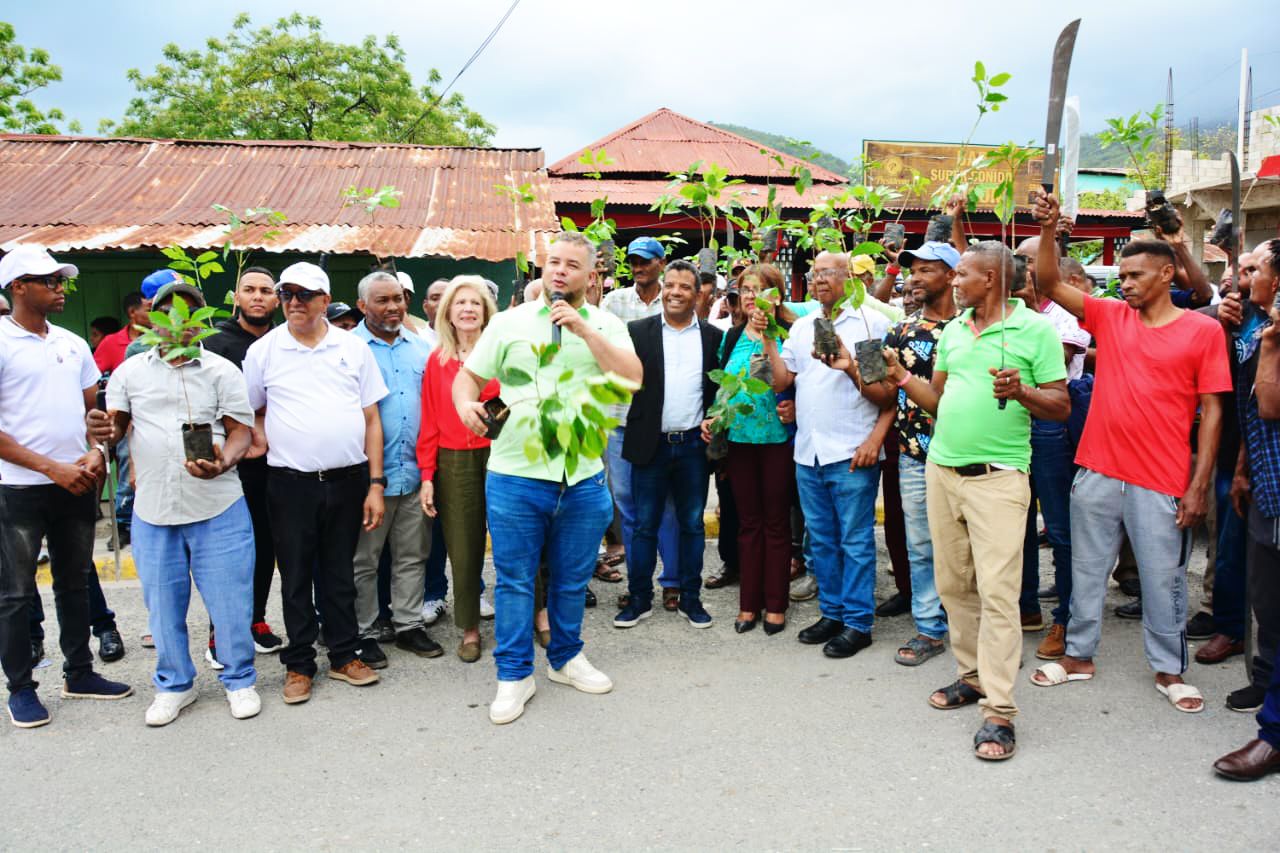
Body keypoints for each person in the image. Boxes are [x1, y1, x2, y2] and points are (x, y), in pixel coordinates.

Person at [1028, 191, 1230, 717]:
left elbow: (1213, 413)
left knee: (1164, 576)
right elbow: (1049, 283)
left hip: (1162, 476)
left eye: (1136, 274)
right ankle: (1078, 656)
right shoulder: (1111, 317)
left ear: (1167, 275)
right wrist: (1050, 230)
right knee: (1087, 566)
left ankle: (1169, 669)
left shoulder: (1202, 330)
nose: (1127, 283)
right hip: (1097, 467)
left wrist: (1199, 483)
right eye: (1123, 275)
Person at [887, 239, 1069, 760]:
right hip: (942, 471)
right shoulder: (952, 332)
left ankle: (1000, 711)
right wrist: (901, 377)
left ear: (990, 278)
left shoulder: (1034, 331)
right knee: (954, 585)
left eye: (962, 273)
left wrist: (1024, 392)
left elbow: (1059, 406)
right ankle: (971, 676)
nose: (954, 280)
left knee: (997, 593)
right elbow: (938, 400)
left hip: (999, 479)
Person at [455, 231, 642, 725]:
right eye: (552, 263)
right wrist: (464, 405)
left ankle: (564, 658)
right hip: (517, 474)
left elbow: (633, 377)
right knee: (516, 580)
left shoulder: (605, 325)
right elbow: (469, 376)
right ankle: (515, 675)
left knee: (572, 577)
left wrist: (584, 332)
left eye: (570, 265)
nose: (558, 272)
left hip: (582, 474)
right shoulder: (510, 323)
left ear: (590, 275)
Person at [105, 280, 260, 725]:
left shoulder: (220, 371)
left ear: (200, 321)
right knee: (162, 603)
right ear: (153, 319)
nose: (178, 322)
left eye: (188, 313)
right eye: (168, 312)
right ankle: (175, 685)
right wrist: (101, 430)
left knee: (231, 600)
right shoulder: (131, 372)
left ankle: (240, 679)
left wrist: (224, 463)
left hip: (218, 503)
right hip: (153, 506)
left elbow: (239, 432)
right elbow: (116, 428)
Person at [243, 261, 387, 705]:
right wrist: (263, 433)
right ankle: (299, 664)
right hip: (290, 484)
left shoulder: (352, 348)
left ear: (325, 300)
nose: (294, 303)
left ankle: (344, 655)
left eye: (305, 295)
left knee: (339, 573)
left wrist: (376, 484)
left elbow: (371, 419)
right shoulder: (264, 352)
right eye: (287, 294)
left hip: (347, 480)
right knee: (296, 576)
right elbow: (251, 410)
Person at [0, 246, 132, 728]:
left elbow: (94, 417)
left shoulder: (73, 344)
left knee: (74, 581)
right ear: (18, 286)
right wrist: (51, 468)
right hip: (16, 488)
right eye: (49, 281)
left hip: (76, 481)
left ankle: (80, 672)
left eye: (61, 281)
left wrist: (97, 454)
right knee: (14, 593)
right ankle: (21, 688)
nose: (60, 289)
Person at [763, 252, 895, 655]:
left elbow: (884, 393)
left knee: (854, 541)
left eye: (828, 273)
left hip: (851, 451)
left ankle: (857, 622)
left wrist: (849, 366)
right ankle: (833, 612)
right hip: (809, 451)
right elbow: (782, 378)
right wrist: (767, 335)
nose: (819, 279)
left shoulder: (870, 325)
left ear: (849, 278)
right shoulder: (802, 327)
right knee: (820, 541)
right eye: (814, 272)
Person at [615, 259, 722, 630]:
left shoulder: (712, 337)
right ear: (662, 289)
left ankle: (691, 598)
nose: (676, 292)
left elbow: (718, 391)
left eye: (685, 287)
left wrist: (715, 417)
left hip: (693, 445)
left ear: (698, 294)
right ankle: (639, 599)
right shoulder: (637, 332)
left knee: (692, 524)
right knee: (644, 525)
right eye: (671, 285)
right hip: (650, 444)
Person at [350, 271, 440, 667]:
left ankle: (407, 625)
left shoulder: (421, 349)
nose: (393, 307)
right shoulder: (348, 349)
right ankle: (365, 631)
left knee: (412, 554)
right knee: (364, 560)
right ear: (362, 306)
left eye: (398, 299)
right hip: (368, 476)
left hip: (414, 472)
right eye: (383, 300)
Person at [878, 240, 961, 666]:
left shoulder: (972, 327)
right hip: (913, 453)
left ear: (951, 275)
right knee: (921, 546)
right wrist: (850, 368)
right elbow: (882, 392)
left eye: (927, 270)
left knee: (967, 548)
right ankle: (929, 628)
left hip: (965, 455)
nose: (915, 277)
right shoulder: (901, 330)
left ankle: (973, 632)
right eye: (914, 270)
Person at [1010, 236, 1091, 660]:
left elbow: (1050, 363)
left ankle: (1066, 616)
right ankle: (1025, 608)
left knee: (1059, 528)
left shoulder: (1062, 314)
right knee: (1017, 525)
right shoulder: (1007, 314)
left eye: (1026, 261)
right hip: (1011, 428)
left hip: (1051, 427)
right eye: (1016, 261)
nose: (1021, 268)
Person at [417, 276, 501, 662]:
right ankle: (469, 627)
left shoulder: (503, 354)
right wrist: (428, 476)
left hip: (503, 453)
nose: (468, 309)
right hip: (454, 459)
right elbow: (430, 421)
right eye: (460, 303)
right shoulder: (437, 362)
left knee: (517, 541)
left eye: (475, 303)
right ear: (447, 312)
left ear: (486, 312)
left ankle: (538, 614)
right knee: (464, 549)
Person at [203, 266, 284, 656]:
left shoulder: (286, 342)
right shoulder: (215, 344)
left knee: (267, 544)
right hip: (233, 463)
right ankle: (221, 630)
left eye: (266, 291)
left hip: (281, 463)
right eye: (249, 289)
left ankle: (255, 617)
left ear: (277, 299)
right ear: (236, 297)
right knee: (231, 549)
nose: (257, 297)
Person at [709, 265, 795, 635]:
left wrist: (769, 337)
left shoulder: (790, 334)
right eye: (745, 289)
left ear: (776, 295)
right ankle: (748, 604)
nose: (750, 296)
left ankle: (775, 605)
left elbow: (782, 382)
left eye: (760, 289)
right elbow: (724, 388)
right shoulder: (730, 337)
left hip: (777, 441)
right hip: (740, 443)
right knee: (747, 524)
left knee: (776, 524)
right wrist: (713, 417)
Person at [602, 237, 682, 610]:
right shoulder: (613, 302)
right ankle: (639, 585)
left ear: (661, 263)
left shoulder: (676, 299)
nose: (638, 267)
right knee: (628, 503)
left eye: (645, 261)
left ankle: (672, 581)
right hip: (621, 416)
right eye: (633, 261)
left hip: (664, 418)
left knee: (664, 502)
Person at [1219, 242, 1280, 714]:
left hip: (1277, 486)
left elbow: (1269, 405)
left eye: (1252, 269)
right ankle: (1266, 680)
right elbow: (1248, 414)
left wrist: (1272, 341)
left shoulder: (1273, 336)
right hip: (1261, 475)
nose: (1242, 277)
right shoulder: (1251, 327)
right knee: (1264, 592)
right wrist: (1242, 468)